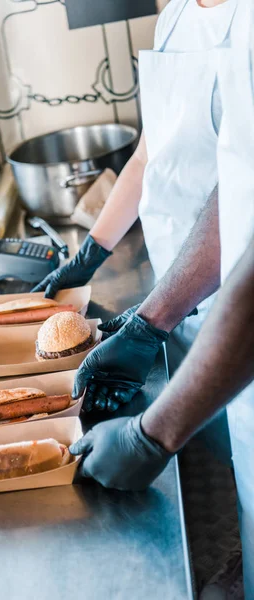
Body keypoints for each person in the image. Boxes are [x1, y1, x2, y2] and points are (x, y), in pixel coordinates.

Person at [69, 0, 254, 595]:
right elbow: (239, 188)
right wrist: (152, 316)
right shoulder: (175, 15)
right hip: (205, 294)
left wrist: (155, 434)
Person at [33, 0, 239, 397]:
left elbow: (240, 190)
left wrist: (153, 318)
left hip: (230, 290)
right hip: (172, 292)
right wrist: (90, 253)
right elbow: (148, 154)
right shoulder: (175, 17)